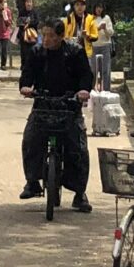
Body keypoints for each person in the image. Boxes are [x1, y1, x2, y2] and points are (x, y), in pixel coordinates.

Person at [19, 14, 96, 218]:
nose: (47, 39)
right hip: (43, 104)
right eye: (44, 35)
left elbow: (86, 76)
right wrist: (26, 87)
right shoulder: (37, 52)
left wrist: (83, 91)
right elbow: (27, 74)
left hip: (69, 106)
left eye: (51, 36)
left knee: (78, 147)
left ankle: (80, 193)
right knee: (31, 139)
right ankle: (33, 182)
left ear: (61, 37)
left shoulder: (75, 52)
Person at [88, 4, 116, 91]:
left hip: (105, 46)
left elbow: (111, 33)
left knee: (105, 70)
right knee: (93, 70)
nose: (99, 9)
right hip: (94, 46)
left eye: (101, 7)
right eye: (97, 7)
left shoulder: (106, 18)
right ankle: (91, 90)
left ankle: (106, 90)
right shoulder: (90, 18)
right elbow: (88, 33)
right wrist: (98, 28)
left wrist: (105, 29)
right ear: (94, 8)